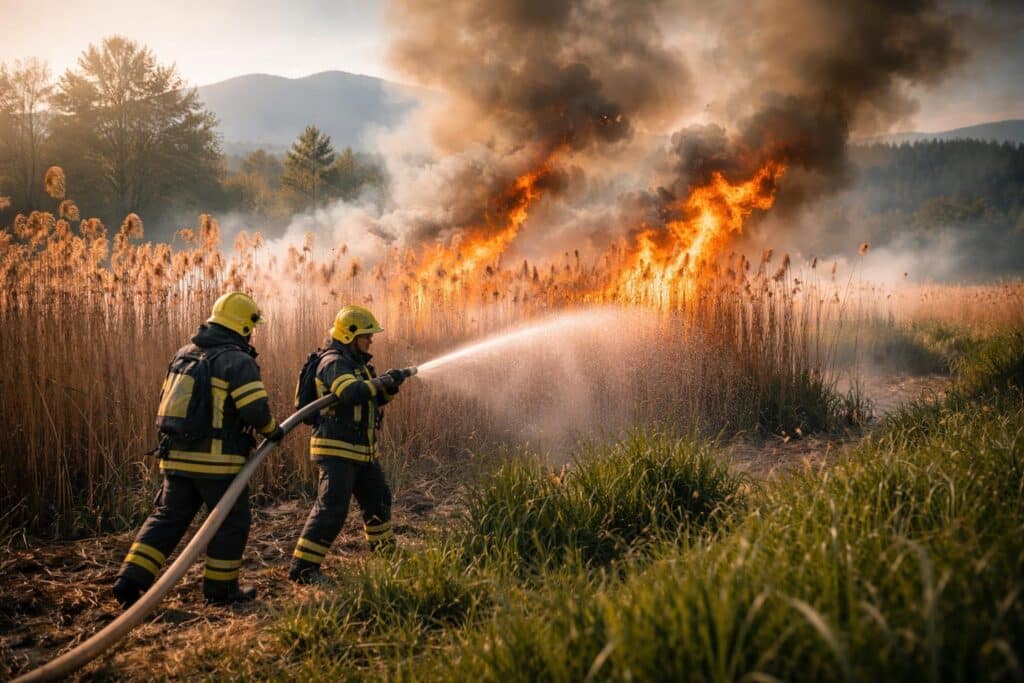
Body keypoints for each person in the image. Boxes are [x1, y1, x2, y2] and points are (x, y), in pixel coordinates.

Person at [112, 292, 284, 608]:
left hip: (176, 458)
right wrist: (274, 432)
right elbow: (255, 411)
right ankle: (220, 591)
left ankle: (130, 578)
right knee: (231, 521)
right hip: (217, 463)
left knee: (168, 518)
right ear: (244, 327)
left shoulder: (184, 354)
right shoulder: (238, 361)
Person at [288, 305, 407, 584]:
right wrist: (380, 381)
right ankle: (303, 570)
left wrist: (389, 386)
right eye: (366, 336)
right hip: (336, 450)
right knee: (332, 509)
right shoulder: (333, 362)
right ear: (349, 335)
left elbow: (372, 400)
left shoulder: (358, 365)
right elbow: (350, 393)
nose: (370, 341)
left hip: (362, 451)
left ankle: (386, 555)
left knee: (378, 499)